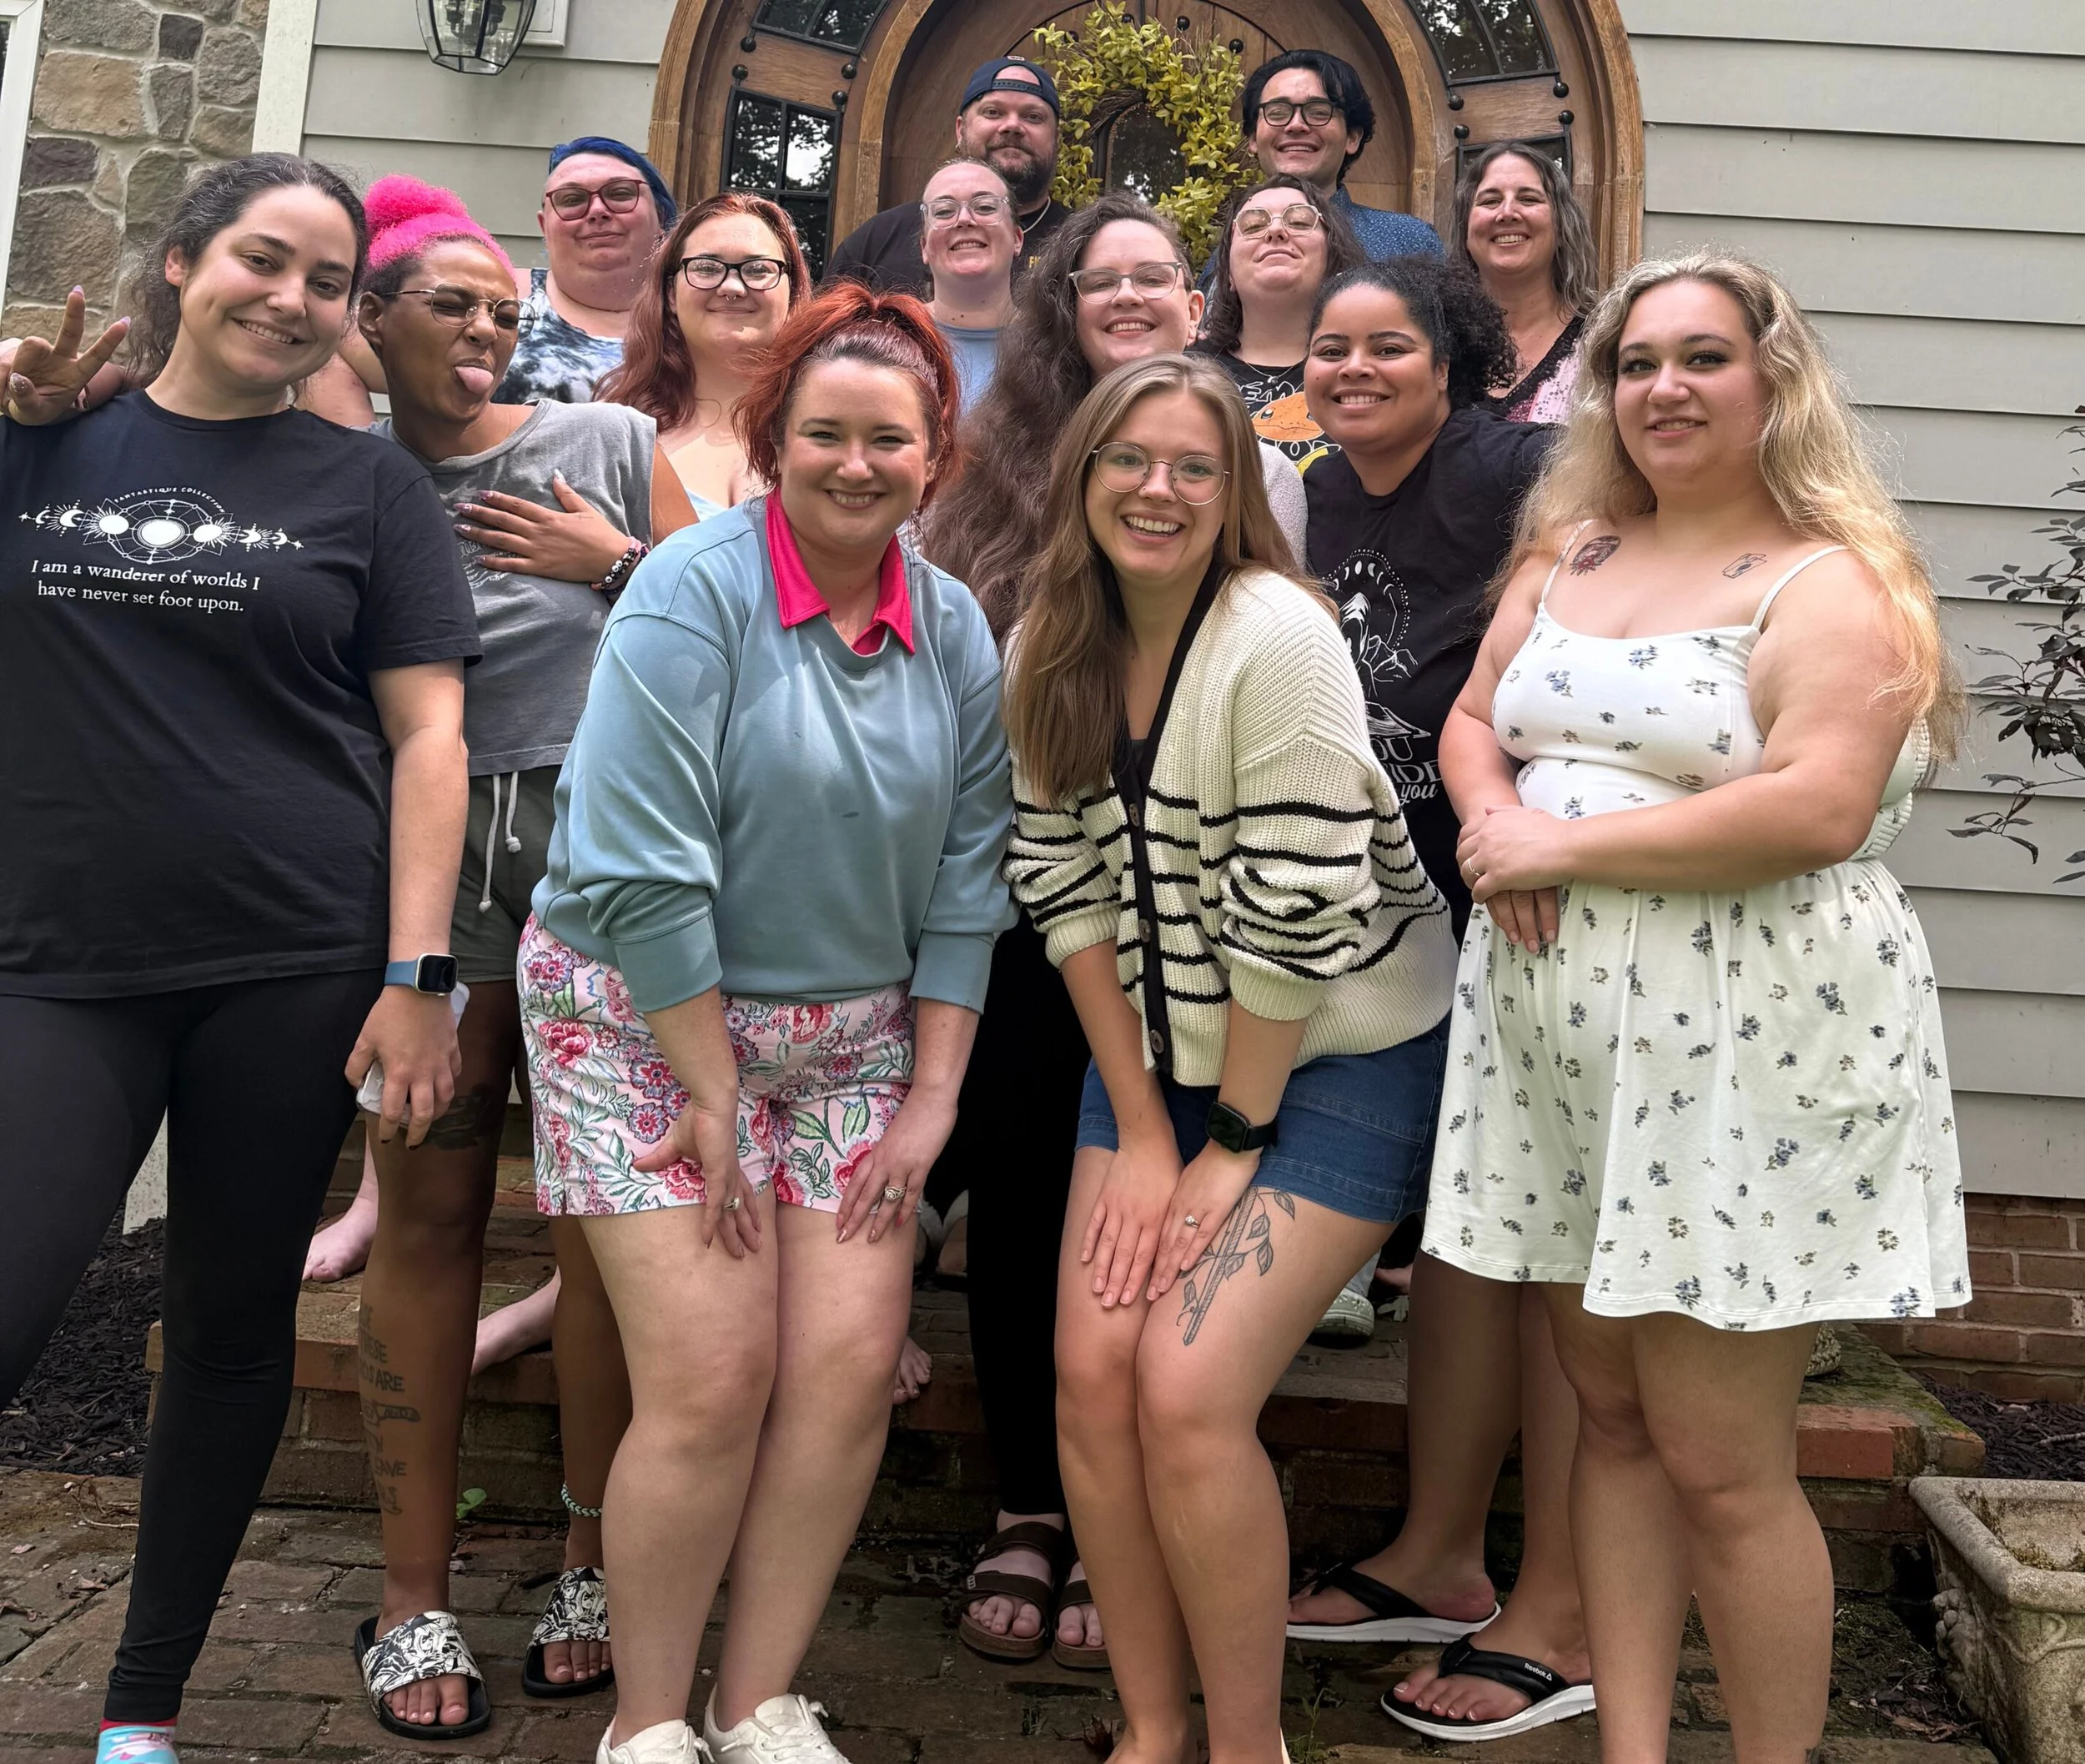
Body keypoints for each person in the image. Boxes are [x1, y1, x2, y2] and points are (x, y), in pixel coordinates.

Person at [1428, 253, 1968, 1763]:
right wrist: (1490, 825)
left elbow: (1814, 805)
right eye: (1637, 363)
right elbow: (1475, 720)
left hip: (1749, 1057)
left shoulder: (1831, 581)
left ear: (1771, 383)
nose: (1664, 388)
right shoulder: (1575, 552)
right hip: (1563, 1056)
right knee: (1607, 1424)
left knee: (1726, 1465)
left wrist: (1561, 844)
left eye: (1702, 359)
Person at [0, 153, 478, 1764]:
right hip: (56, 953)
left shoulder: (372, 491)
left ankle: (142, 1702)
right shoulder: (45, 438)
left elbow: (429, 739)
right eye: (261, 262)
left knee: (225, 1317)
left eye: (327, 283)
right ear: (185, 263)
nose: (291, 299)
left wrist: (421, 977)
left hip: (291, 954)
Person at [519, 283, 1012, 1764]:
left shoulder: (956, 622)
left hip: (856, 1040)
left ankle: (760, 1701)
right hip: (642, 1019)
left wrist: (935, 1100)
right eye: (824, 435)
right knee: (715, 1376)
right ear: (773, 438)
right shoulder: (692, 588)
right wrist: (713, 1087)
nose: (856, 465)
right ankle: (651, 1723)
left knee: (850, 1367)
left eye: (890, 441)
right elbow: (641, 866)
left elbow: (971, 873)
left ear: (935, 458)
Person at [1004, 351, 1456, 1764]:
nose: (1158, 489)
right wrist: (1146, 1131)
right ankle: (1152, 1728)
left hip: (1334, 1052)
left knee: (1188, 1398)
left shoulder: (1278, 637)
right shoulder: (1054, 639)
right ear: (1080, 475)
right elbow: (1062, 886)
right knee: (1090, 1380)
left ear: (1236, 493)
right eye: (1128, 460)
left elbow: (1298, 918)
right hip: (1156, 1057)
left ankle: (1245, 1745)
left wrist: (1229, 1148)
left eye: (1195, 467)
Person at [916, 192, 1304, 1670]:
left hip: (1209, 919)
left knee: (1187, 1225)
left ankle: (1140, 1514)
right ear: (1061, 306)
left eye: (1158, 274)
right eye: (1102, 279)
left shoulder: (1241, 453)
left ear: (1193, 301)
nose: (1131, 296)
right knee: (1025, 1200)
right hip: (1044, 897)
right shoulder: (994, 464)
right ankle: (1035, 1502)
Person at [337, 175, 698, 1738]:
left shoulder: (608, 442)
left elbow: (718, 620)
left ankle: (591, 1560)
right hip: (417, 867)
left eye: (506, 307)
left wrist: (608, 555)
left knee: (601, 1225)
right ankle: (412, 1599)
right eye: (452, 303)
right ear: (368, 320)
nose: (490, 327)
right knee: (427, 1198)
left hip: (598, 851)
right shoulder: (333, 476)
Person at [1281, 257, 1593, 1740]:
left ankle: (1569, 1606)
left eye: (1387, 347)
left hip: (1525, 911)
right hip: (1377, 931)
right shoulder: (1307, 500)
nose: (1353, 370)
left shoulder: (1522, 470)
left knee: (1548, 1260)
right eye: (1330, 348)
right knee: (1470, 1234)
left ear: (1455, 361)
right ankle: (1439, 1555)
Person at [598, 191, 812, 517]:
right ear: (671, 294)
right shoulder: (610, 435)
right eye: (707, 268)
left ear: (792, 291)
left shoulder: (835, 429)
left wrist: (620, 558)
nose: (732, 287)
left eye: (757, 269)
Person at [825, 58, 1069, 295]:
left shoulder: (1084, 244)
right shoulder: (876, 241)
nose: (1012, 126)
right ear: (960, 130)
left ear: (1057, 139)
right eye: (993, 112)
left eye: (1033, 117)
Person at [1192, 176, 1364, 466]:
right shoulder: (1186, 371)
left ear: (1333, 258)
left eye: (1299, 222)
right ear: (1229, 273)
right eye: (1253, 225)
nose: (1275, 230)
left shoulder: (1367, 370)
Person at [496, 137, 675, 405]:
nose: (598, 211)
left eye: (620, 193)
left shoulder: (702, 310)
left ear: (660, 216)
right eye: (572, 199)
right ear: (545, 227)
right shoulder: (500, 298)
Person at [1238, 50, 1441, 264]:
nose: (1296, 125)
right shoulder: (1229, 250)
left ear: (1352, 137)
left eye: (1319, 112)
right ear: (1253, 138)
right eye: (1277, 112)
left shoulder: (1410, 243)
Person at [1449, 141, 1600, 425]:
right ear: (1465, 228)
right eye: (1490, 201)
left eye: (1528, 199)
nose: (1507, 213)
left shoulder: (1604, 341)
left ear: (1561, 224)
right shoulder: (1434, 337)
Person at [919, 158, 1022, 414]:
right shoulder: (890, 337)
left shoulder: (1055, 345)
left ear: (1017, 239)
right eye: (943, 211)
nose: (964, 219)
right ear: (924, 248)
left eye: (985, 207)